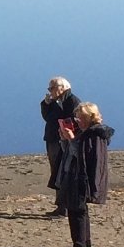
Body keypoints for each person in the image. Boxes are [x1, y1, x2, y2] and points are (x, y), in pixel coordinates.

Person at [57, 102, 114, 247]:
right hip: (76, 174)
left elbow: (82, 155)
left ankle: (80, 245)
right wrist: (65, 139)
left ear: (89, 117)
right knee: (78, 210)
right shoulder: (87, 133)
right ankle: (85, 243)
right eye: (76, 118)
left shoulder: (94, 134)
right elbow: (72, 151)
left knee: (77, 211)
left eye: (80, 118)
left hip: (81, 177)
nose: (77, 121)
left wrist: (71, 138)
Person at [40, 78, 82, 214]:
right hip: (54, 139)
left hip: (65, 142)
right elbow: (49, 118)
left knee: (62, 172)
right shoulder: (57, 101)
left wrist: (68, 138)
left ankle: (64, 206)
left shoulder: (71, 101)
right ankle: (61, 206)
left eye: (51, 88)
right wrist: (46, 104)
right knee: (57, 172)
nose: (50, 91)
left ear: (61, 87)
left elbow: (73, 121)